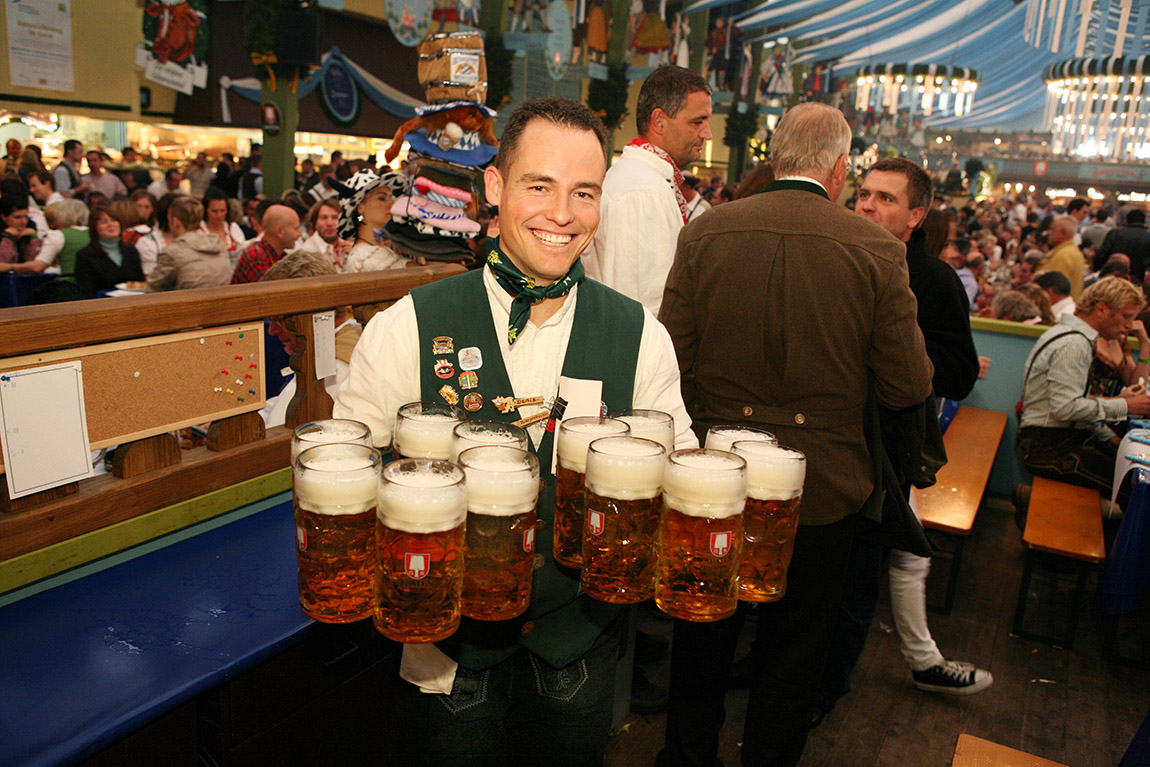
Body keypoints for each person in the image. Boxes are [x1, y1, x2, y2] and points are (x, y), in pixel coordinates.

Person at [334, 96, 696, 767]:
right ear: (495, 187)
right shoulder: (407, 324)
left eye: (583, 192)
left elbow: (684, 469)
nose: (562, 214)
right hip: (447, 665)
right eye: (539, 185)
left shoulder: (640, 334)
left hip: (579, 654)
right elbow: (346, 472)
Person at [657, 102, 933, 767]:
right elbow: (908, 384)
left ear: (776, 157)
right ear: (839, 169)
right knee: (795, 650)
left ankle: (686, 757)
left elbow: (670, 358)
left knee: (702, 638)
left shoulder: (706, 233)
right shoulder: (875, 248)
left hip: (713, 474)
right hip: (825, 484)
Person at [813, 158, 988, 725]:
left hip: (882, 455)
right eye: (863, 194)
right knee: (806, 569)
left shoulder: (933, 282)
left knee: (857, 578)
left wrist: (894, 348)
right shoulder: (832, 256)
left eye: (885, 199)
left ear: (916, 216)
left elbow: (959, 372)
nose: (866, 205)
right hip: (822, 437)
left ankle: (829, 684)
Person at [587, 65, 713, 315]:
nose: (707, 134)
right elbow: (641, 309)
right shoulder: (642, 191)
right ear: (659, 122)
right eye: (697, 122)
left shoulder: (646, 181)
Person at [1016, 277, 1150, 512]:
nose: (1129, 325)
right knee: (1134, 489)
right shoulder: (1074, 344)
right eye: (1126, 316)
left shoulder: (1072, 335)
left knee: (1127, 468)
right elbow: (1066, 409)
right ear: (1101, 310)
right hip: (1046, 444)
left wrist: (1108, 437)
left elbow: (1081, 401)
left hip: (1060, 437)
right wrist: (1127, 406)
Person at [258, 250, 362, 428]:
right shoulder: (347, 335)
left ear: (313, 314)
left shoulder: (330, 368)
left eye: (277, 319)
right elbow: (280, 403)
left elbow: (276, 428)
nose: (272, 331)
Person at [147, 197, 232, 292]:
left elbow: (151, 291)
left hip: (188, 305)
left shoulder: (172, 252)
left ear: (175, 222)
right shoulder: (219, 245)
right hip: (222, 304)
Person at [334, 169, 408, 273]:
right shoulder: (362, 256)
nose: (392, 204)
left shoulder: (377, 250)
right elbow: (420, 273)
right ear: (360, 208)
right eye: (382, 198)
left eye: (391, 198)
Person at [74, 201, 145, 296]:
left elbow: (140, 283)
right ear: (94, 227)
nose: (110, 224)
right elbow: (86, 291)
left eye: (113, 220)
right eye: (104, 222)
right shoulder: (85, 256)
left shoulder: (131, 250)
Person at [230, 204, 301, 284]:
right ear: (279, 231)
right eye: (296, 228)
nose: (300, 234)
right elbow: (274, 291)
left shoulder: (280, 256)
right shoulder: (255, 255)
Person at [1037, 215, 1086, 300]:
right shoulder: (1072, 252)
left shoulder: (1063, 255)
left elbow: (1053, 292)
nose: (1048, 232)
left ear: (1064, 233)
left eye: (1052, 229)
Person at [1095, 208, 1150, 281]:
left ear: (1126, 221)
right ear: (1144, 222)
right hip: (1138, 278)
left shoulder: (1115, 233)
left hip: (1112, 277)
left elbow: (1102, 254)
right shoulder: (1147, 236)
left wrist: (1098, 270)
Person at [292, 198, 347, 269]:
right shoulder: (307, 253)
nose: (329, 223)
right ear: (315, 223)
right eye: (324, 218)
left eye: (335, 217)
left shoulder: (349, 245)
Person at [199, 186, 247, 257]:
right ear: (205, 211)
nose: (219, 215)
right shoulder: (198, 231)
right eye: (214, 211)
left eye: (222, 210)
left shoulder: (233, 228)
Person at [0, 195, 41, 266]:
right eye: (17, 217)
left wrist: (33, 237)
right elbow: (3, 262)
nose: (23, 221)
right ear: (3, 217)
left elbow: (31, 262)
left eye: (25, 216)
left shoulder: (30, 227)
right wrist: (7, 237)